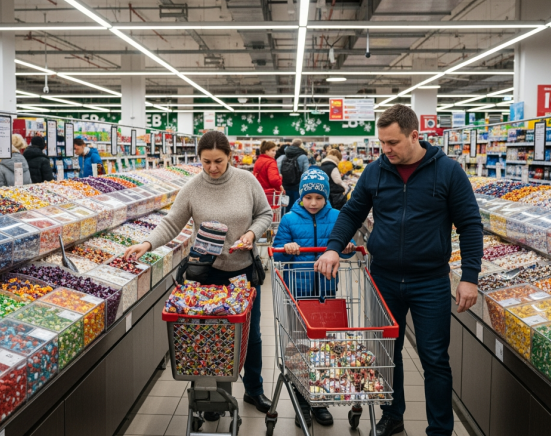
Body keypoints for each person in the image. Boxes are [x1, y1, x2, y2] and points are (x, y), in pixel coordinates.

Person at [314, 104, 483, 436]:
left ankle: (439, 429)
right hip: (384, 277)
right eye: (382, 143)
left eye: (392, 142)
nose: (386, 150)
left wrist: (470, 277)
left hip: (430, 280)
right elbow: (351, 213)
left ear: (414, 136)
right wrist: (333, 246)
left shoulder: (448, 171)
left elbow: (470, 225)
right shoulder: (375, 171)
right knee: (385, 352)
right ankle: (393, 415)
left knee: (434, 358)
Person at [123, 130, 274, 421]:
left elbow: (264, 214)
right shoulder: (192, 187)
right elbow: (171, 223)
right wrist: (146, 244)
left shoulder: (247, 182)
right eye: (206, 162)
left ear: (230, 156)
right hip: (206, 276)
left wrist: (252, 233)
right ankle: (210, 395)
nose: (213, 168)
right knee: (206, 337)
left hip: (242, 273)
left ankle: (254, 390)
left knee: (251, 336)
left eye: (218, 161)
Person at [272, 168, 355, 428]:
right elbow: (277, 254)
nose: (313, 203)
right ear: (301, 197)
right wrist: (287, 249)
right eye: (308, 198)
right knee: (300, 348)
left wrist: (348, 247)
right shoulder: (289, 220)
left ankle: (319, 401)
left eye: (319, 198)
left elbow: (346, 247)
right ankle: (302, 401)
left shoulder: (337, 217)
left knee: (323, 349)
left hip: (326, 294)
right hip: (298, 294)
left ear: (326, 197)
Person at [277, 139, 310, 213]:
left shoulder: (282, 157)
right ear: (300, 145)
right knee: (297, 207)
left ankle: (285, 222)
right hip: (297, 187)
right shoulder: (303, 157)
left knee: (285, 207)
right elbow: (306, 173)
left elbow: (278, 173)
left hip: (284, 186)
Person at [253, 141, 283, 205]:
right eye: (273, 150)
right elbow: (274, 180)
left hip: (259, 192)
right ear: (266, 151)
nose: (275, 153)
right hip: (269, 194)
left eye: (275, 151)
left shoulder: (259, 160)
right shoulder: (271, 162)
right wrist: (280, 178)